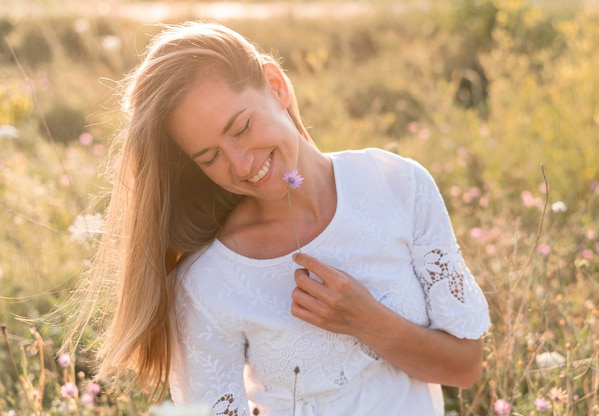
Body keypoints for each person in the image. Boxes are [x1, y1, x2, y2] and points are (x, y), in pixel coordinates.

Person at [64, 21, 490, 415]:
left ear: (276, 86)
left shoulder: (398, 184)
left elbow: (465, 366)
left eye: (241, 127)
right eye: (210, 157)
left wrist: (366, 320)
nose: (242, 164)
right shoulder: (207, 283)